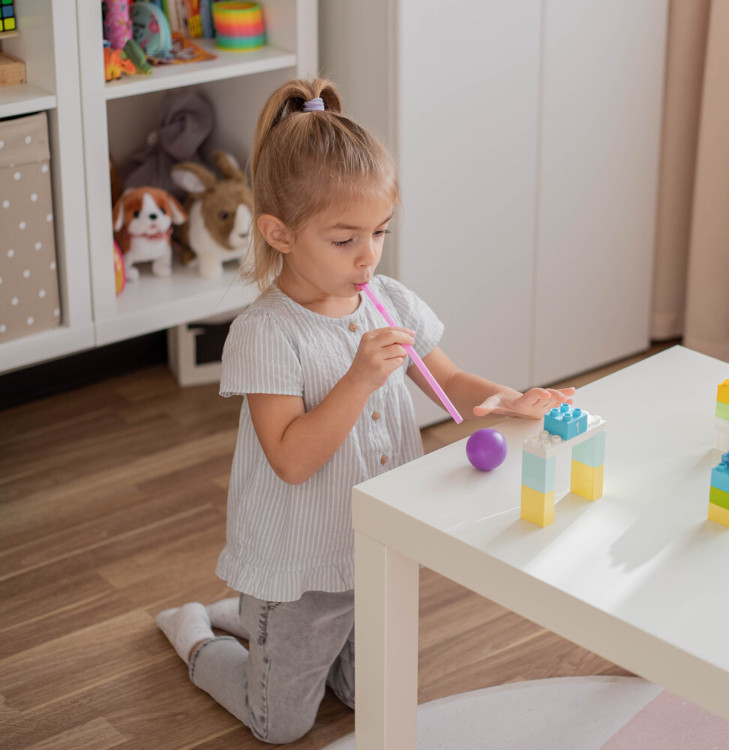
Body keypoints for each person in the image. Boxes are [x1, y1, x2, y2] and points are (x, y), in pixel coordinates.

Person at [155, 78, 574, 744]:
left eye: (379, 231)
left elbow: (454, 379)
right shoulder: (268, 333)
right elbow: (290, 459)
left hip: (377, 548)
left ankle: (252, 623)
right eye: (345, 238)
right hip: (302, 566)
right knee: (279, 725)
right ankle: (203, 633)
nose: (369, 255)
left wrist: (509, 401)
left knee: (365, 697)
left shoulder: (388, 300)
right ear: (280, 233)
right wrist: (357, 379)